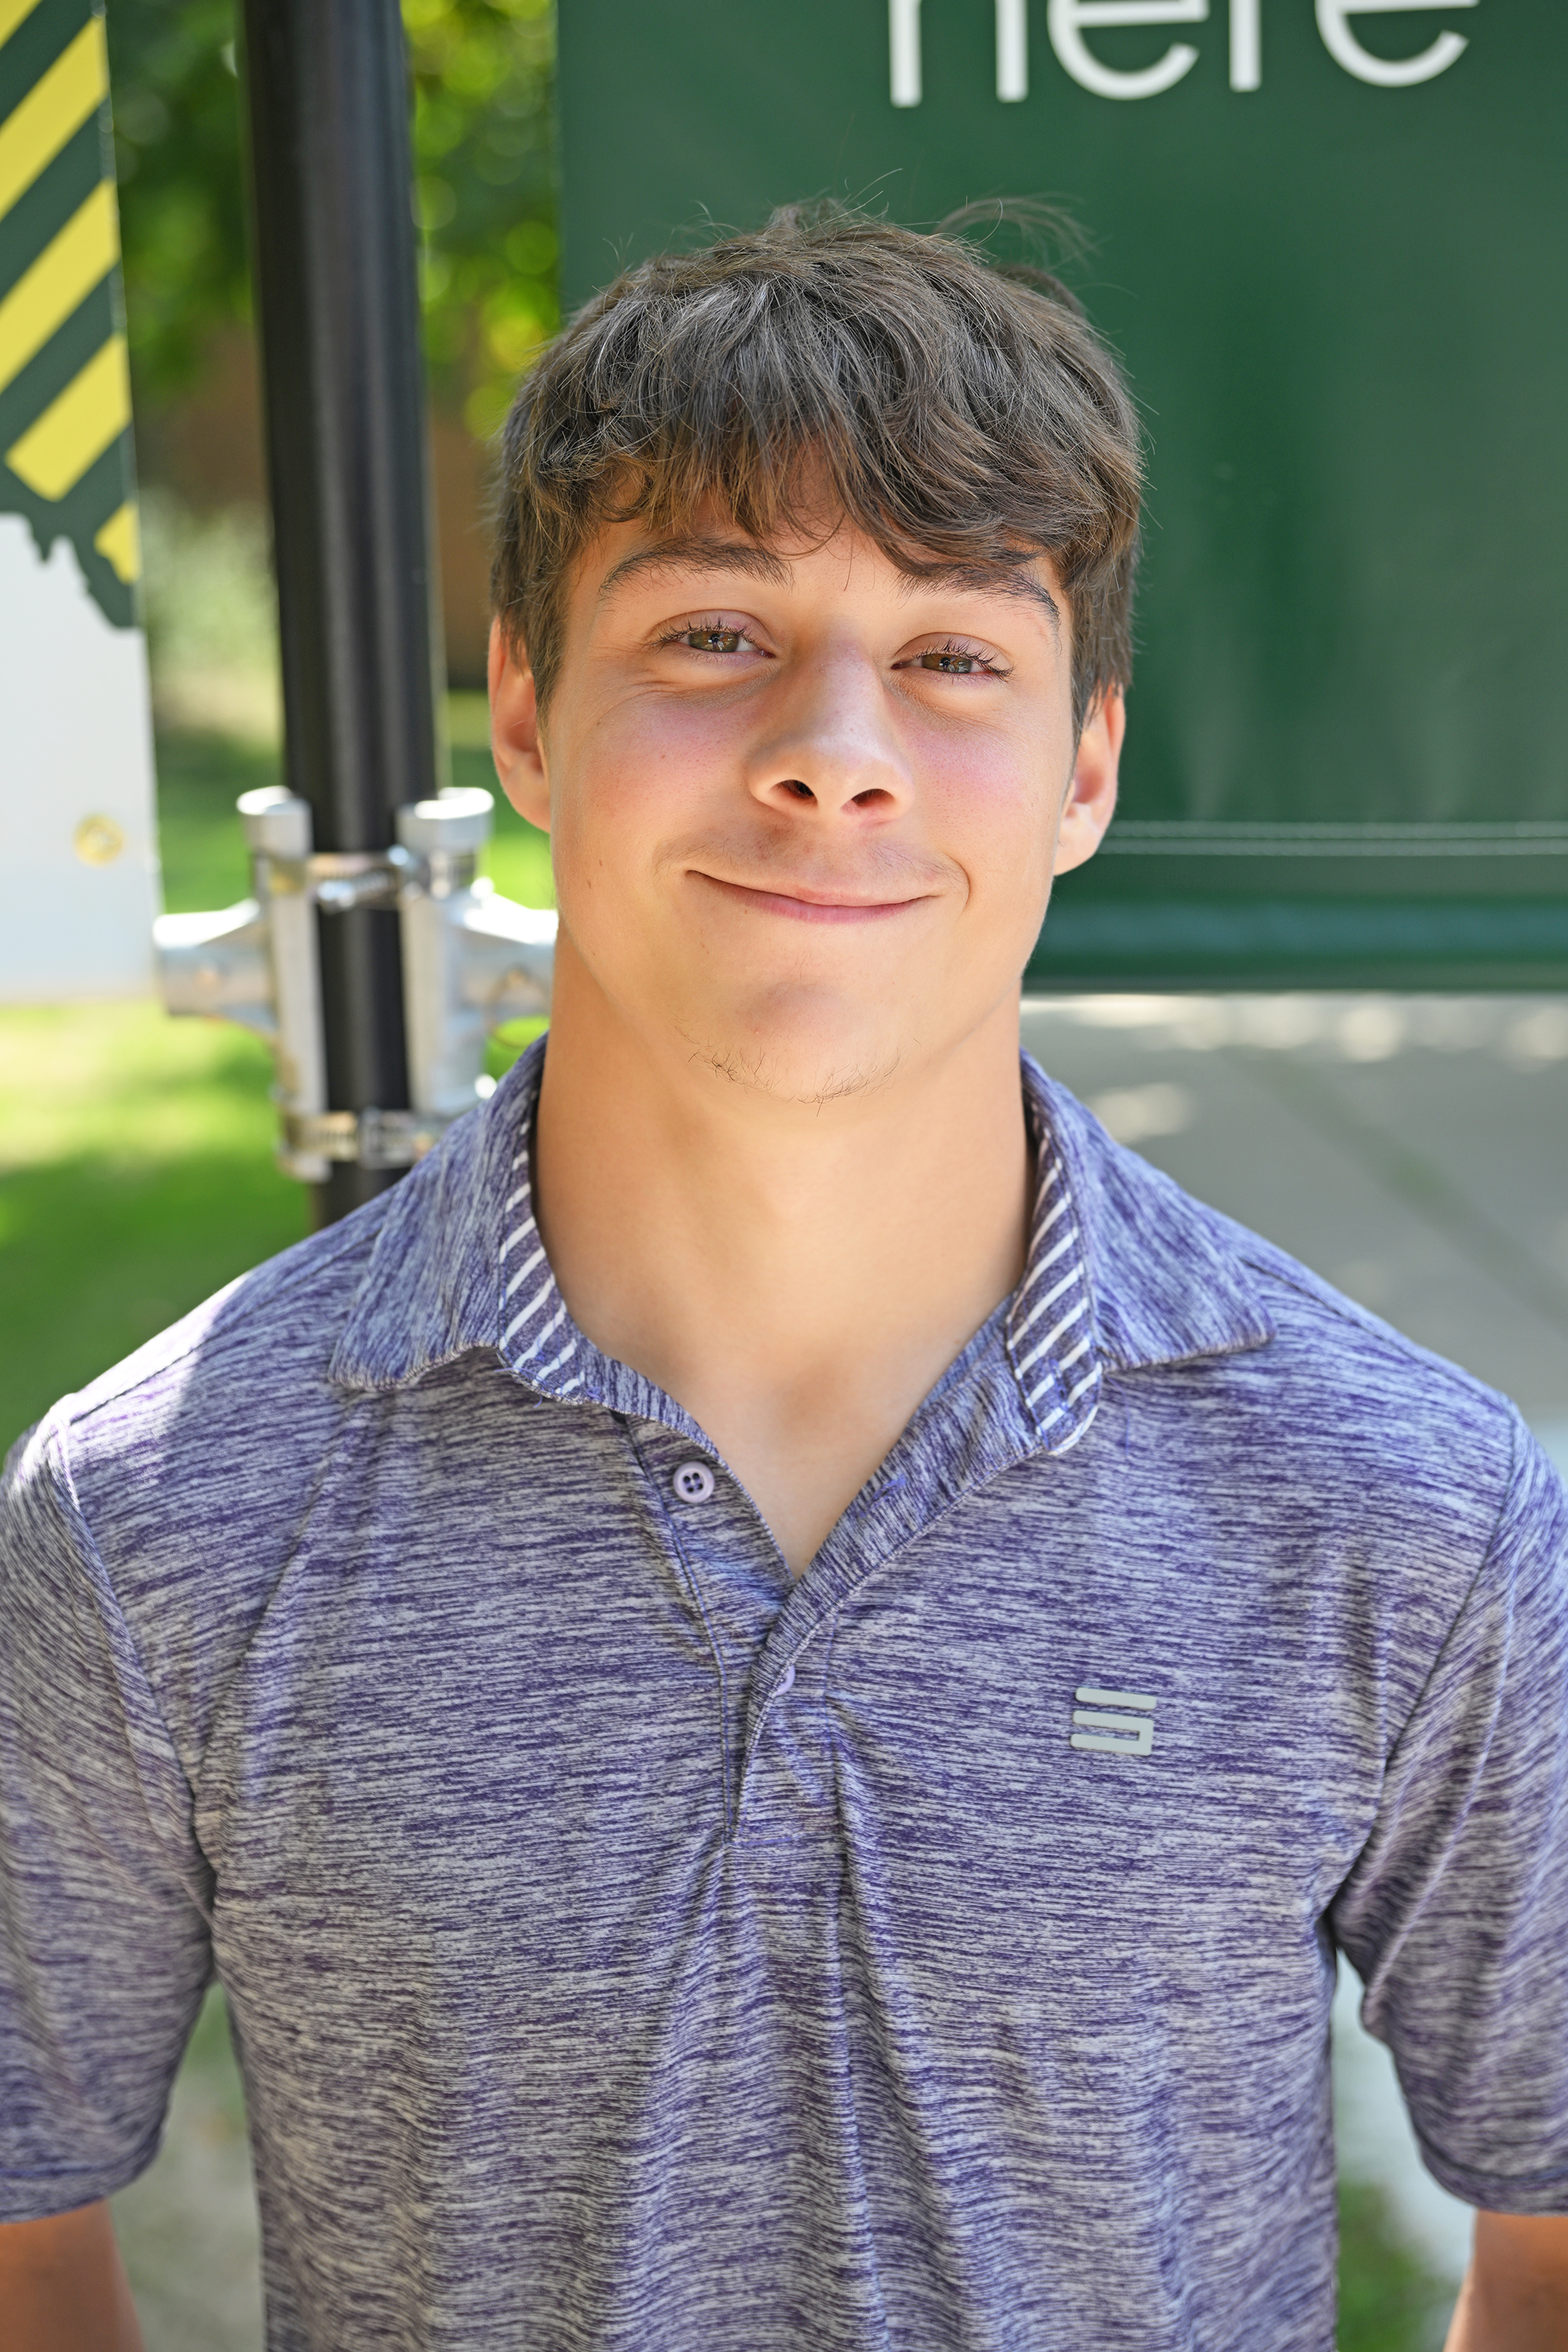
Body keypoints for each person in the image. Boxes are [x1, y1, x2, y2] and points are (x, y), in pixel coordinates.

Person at [2, 205, 1566, 2352]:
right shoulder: (156, 1506)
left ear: (1087, 767)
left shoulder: (1408, 1505)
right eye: (717, 634)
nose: (838, 748)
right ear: (529, 715)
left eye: (952, 658)